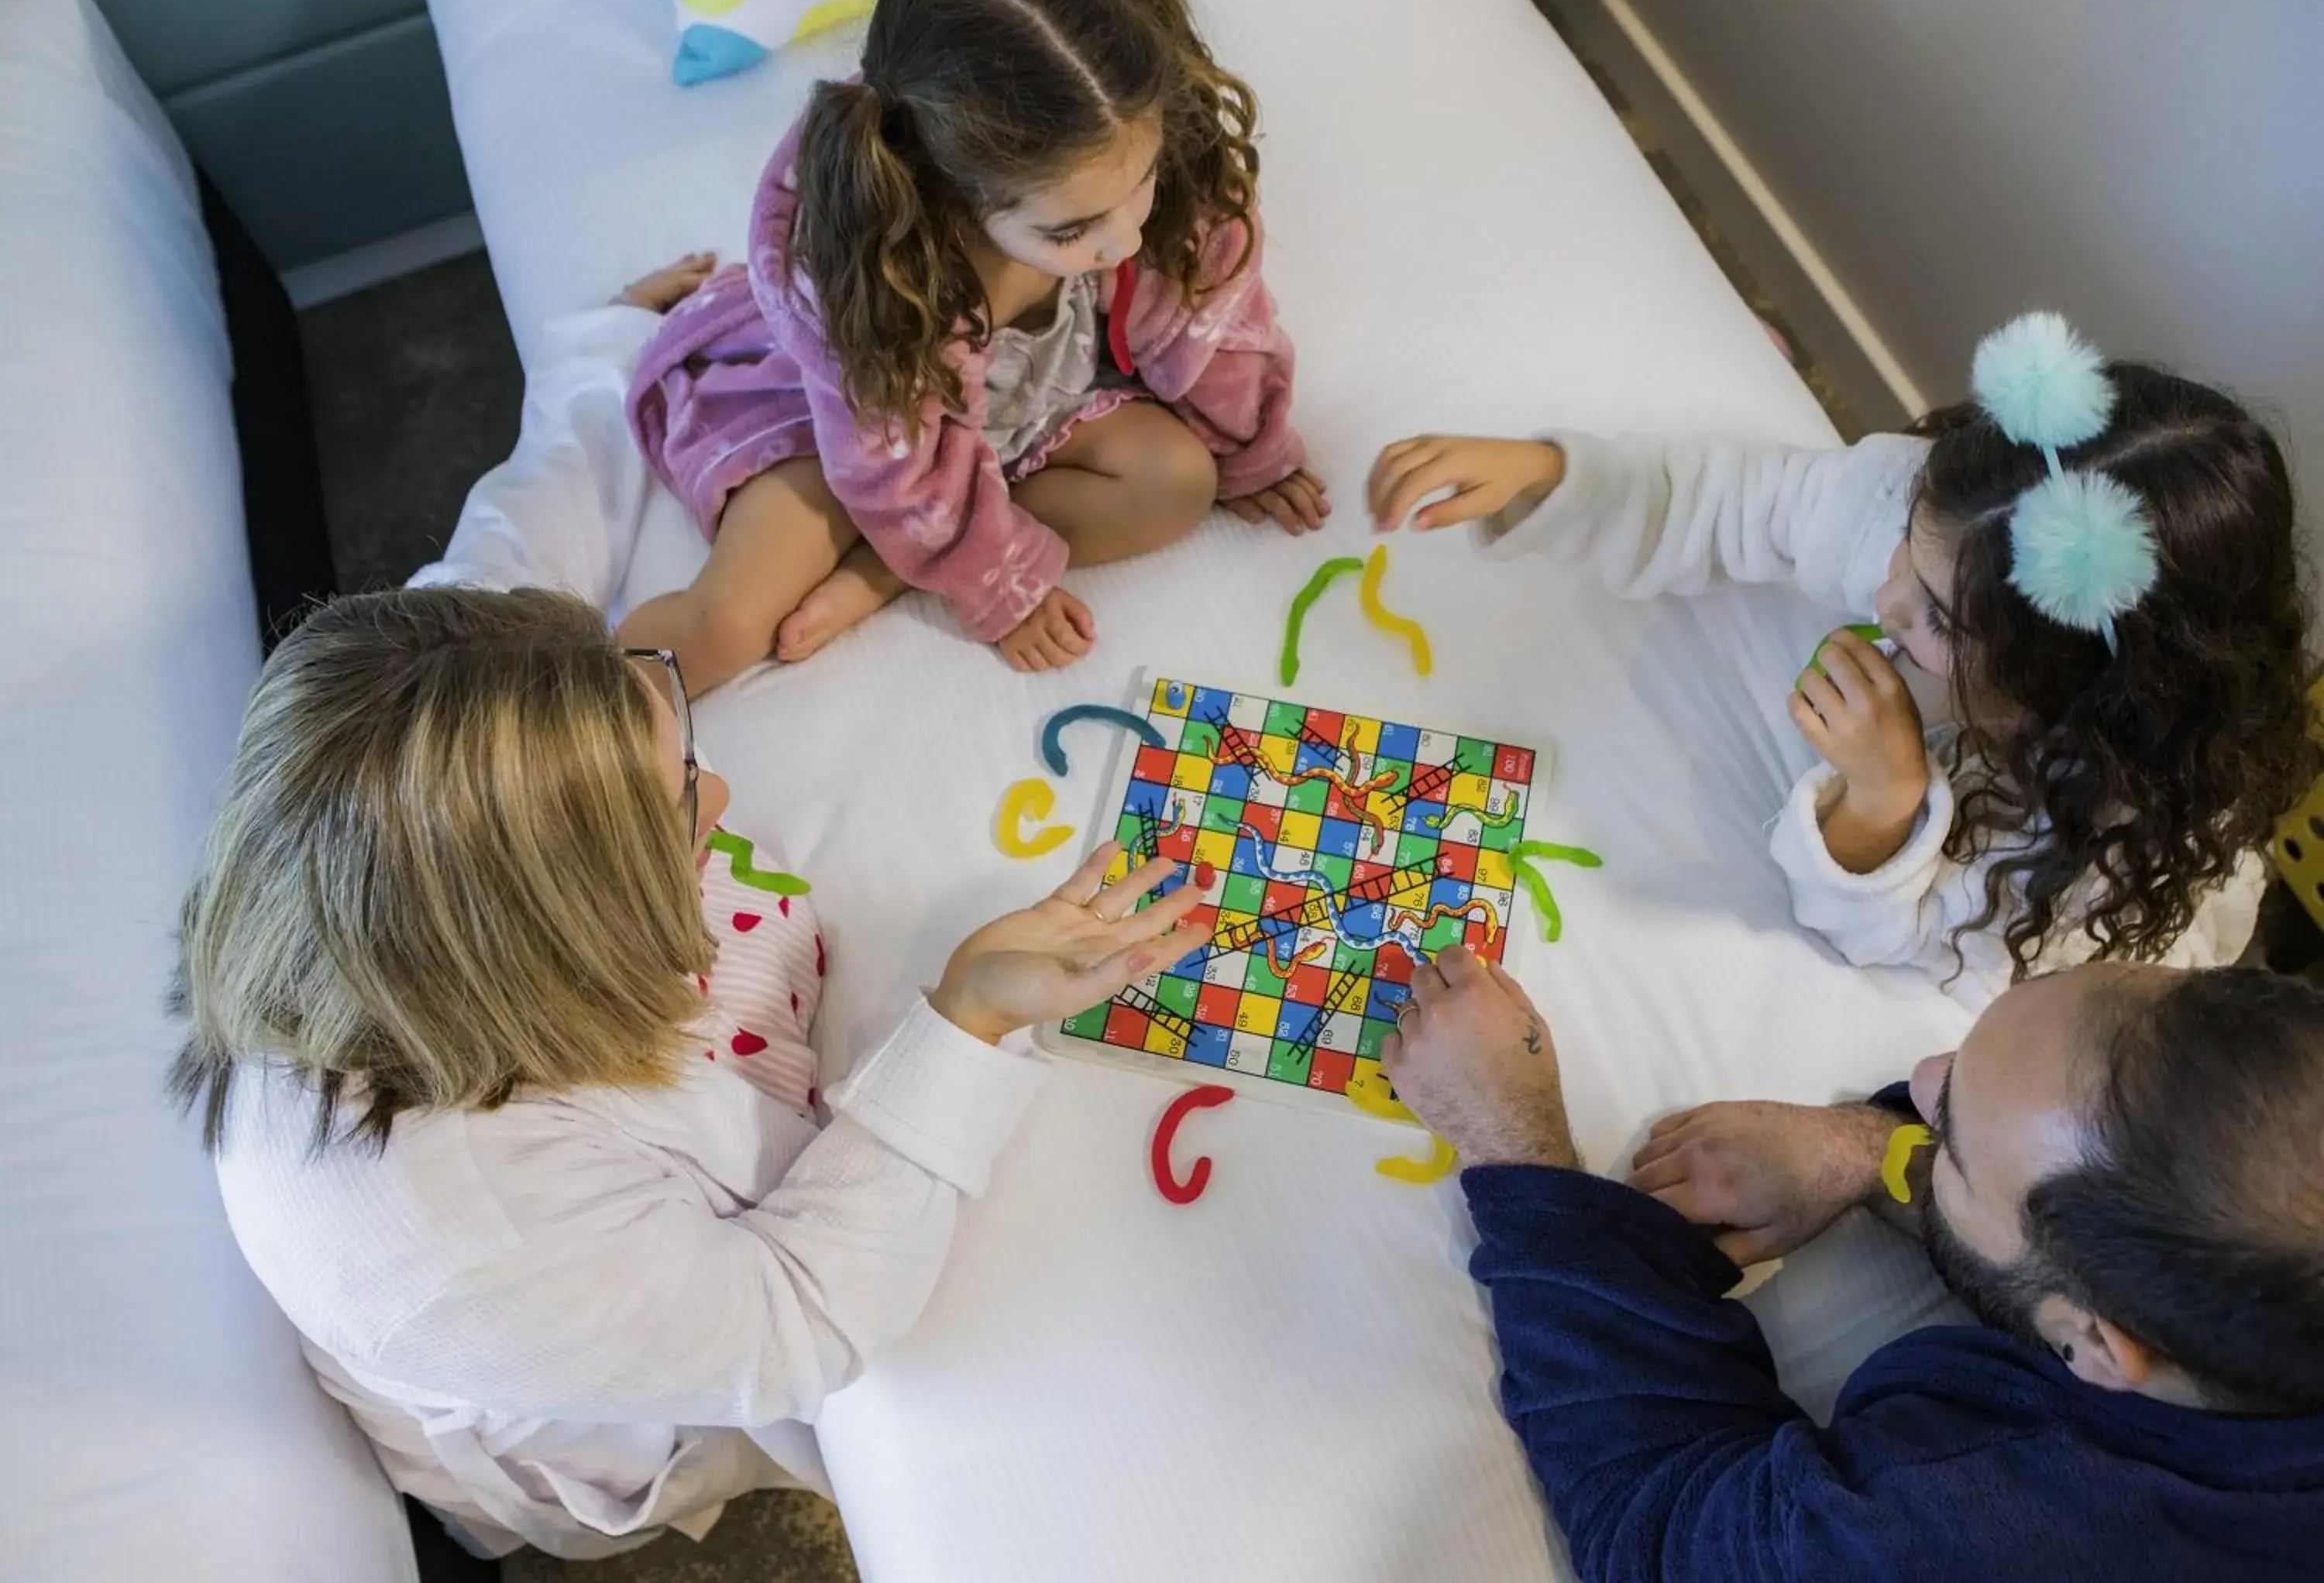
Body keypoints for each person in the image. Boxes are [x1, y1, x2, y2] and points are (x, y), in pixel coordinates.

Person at [171, 585, 1207, 1561]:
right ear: (546, 929)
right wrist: (969, 1014)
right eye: (679, 799)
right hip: (584, 1407)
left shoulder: (365, 862)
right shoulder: (474, 1234)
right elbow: (794, 1325)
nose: (719, 791)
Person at [1367, 315, 2315, 1005]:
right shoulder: (1941, 519)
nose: (1887, 596)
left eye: (1940, 621)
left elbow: (1950, 957)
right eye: (1910, 541)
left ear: (2064, 690)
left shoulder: (2105, 839)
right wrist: (1560, 479)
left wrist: (1882, 805)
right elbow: (1739, 498)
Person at [1380, 945, 2324, 1581]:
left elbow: (1661, 1525)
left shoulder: (2005, 1528)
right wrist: (1871, 1149)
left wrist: (1511, 1141)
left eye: (1946, 1135)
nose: (1918, 1079)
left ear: (2090, 1347)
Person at [618, 0, 1325, 688]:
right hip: (848, 426)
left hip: (1010, 419)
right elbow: (887, 469)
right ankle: (531, 735)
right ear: (955, 200)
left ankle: (904, 562)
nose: (1124, 241)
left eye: (1142, 182)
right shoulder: (884, 277)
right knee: (723, 627)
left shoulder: (1132, 169)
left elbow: (1215, 306)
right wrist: (995, 583)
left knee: (1178, 482)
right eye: (1073, 229)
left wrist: (1253, 447)